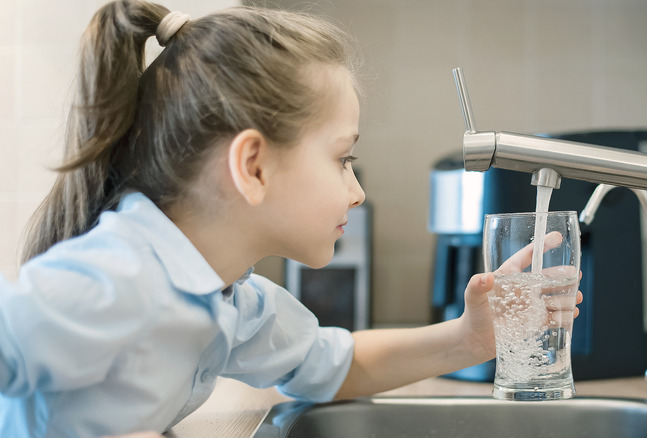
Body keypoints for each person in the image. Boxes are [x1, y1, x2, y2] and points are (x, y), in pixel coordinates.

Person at [0, 1, 582, 436]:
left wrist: (471, 337)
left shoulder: (230, 297)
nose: (356, 193)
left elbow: (330, 364)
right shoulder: (121, 278)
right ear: (253, 166)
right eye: (343, 159)